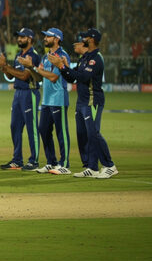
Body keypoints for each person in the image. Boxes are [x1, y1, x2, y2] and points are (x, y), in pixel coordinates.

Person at [48, 29, 118, 179]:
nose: (82, 38)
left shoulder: (96, 59)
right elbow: (72, 78)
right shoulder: (85, 58)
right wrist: (63, 67)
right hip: (81, 102)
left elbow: (84, 77)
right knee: (82, 135)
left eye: (85, 37)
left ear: (91, 40)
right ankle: (91, 167)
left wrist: (63, 67)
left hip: (92, 101)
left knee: (94, 133)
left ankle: (109, 166)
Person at [0, 28, 41, 170]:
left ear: (30, 39)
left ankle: (34, 161)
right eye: (18, 37)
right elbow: (11, 76)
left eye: (22, 37)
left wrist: (6, 66)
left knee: (31, 128)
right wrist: (4, 66)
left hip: (29, 93)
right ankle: (17, 160)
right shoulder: (19, 54)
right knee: (15, 126)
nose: (19, 39)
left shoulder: (33, 55)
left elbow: (25, 76)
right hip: (18, 93)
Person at [27, 28, 72, 174]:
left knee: (61, 132)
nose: (45, 38)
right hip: (46, 100)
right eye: (45, 36)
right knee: (43, 130)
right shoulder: (46, 56)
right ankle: (51, 162)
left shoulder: (62, 56)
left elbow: (53, 77)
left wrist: (35, 68)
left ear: (57, 39)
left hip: (58, 98)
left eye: (48, 36)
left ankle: (64, 164)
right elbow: (40, 77)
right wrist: (30, 68)